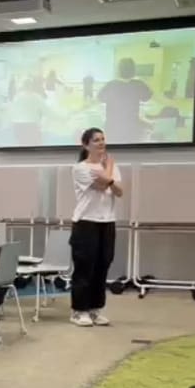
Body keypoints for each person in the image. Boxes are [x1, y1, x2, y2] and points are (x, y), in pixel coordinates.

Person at [70, 127, 123, 328]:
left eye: (103, 139)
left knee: (103, 265)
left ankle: (95, 309)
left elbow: (119, 191)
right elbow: (102, 185)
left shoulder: (111, 167)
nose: (101, 143)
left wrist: (108, 171)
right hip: (86, 223)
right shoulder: (81, 168)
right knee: (85, 267)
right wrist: (108, 166)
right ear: (86, 145)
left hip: (107, 222)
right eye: (96, 140)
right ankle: (79, 310)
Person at [98, 58, 153, 144]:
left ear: (119, 70)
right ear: (134, 71)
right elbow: (148, 97)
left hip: (112, 129)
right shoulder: (139, 84)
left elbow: (100, 98)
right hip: (132, 129)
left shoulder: (111, 85)